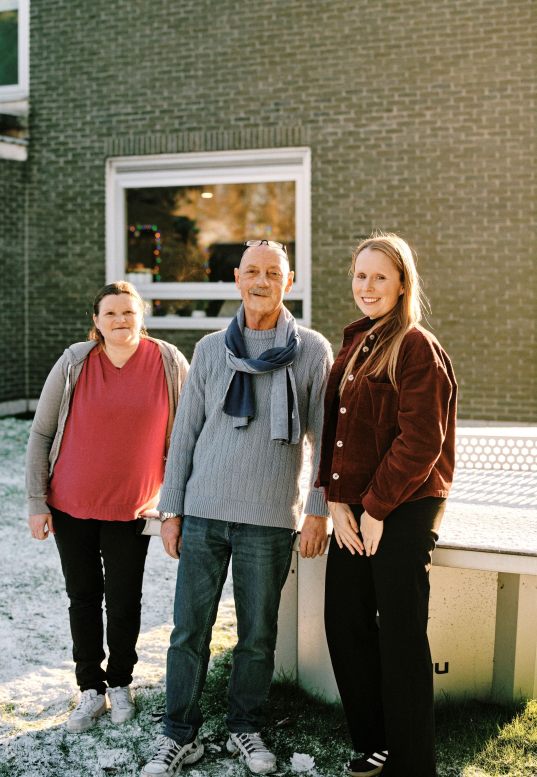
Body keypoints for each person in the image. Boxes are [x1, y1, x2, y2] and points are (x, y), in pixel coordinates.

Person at [142, 240, 333, 777]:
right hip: (204, 510)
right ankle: (178, 733)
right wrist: (171, 506)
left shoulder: (313, 351)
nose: (261, 280)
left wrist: (317, 506)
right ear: (236, 277)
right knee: (188, 631)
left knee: (256, 636)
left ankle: (244, 729)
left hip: (271, 517)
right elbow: (184, 435)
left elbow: (325, 437)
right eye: (252, 270)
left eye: (273, 272)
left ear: (288, 281)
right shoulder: (208, 351)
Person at [316, 232, 457, 777]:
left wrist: (376, 509)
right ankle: (376, 740)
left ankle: (413, 762)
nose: (367, 286)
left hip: (408, 504)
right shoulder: (356, 345)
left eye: (380, 276)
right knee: (344, 622)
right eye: (360, 275)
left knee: (400, 634)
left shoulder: (416, 345)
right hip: (358, 510)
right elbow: (338, 436)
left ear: (402, 283)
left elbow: (421, 441)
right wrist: (338, 503)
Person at [26, 281, 189, 733]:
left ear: (142, 316)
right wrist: (37, 502)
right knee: (83, 598)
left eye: (128, 312)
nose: (121, 320)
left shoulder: (169, 362)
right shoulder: (75, 361)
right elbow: (41, 434)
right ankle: (90, 690)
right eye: (110, 313)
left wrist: (176, 504)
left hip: (133, 508)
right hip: (71, 505)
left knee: (122, 602)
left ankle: (120, 682)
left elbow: (188, 438)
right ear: (96, 321)